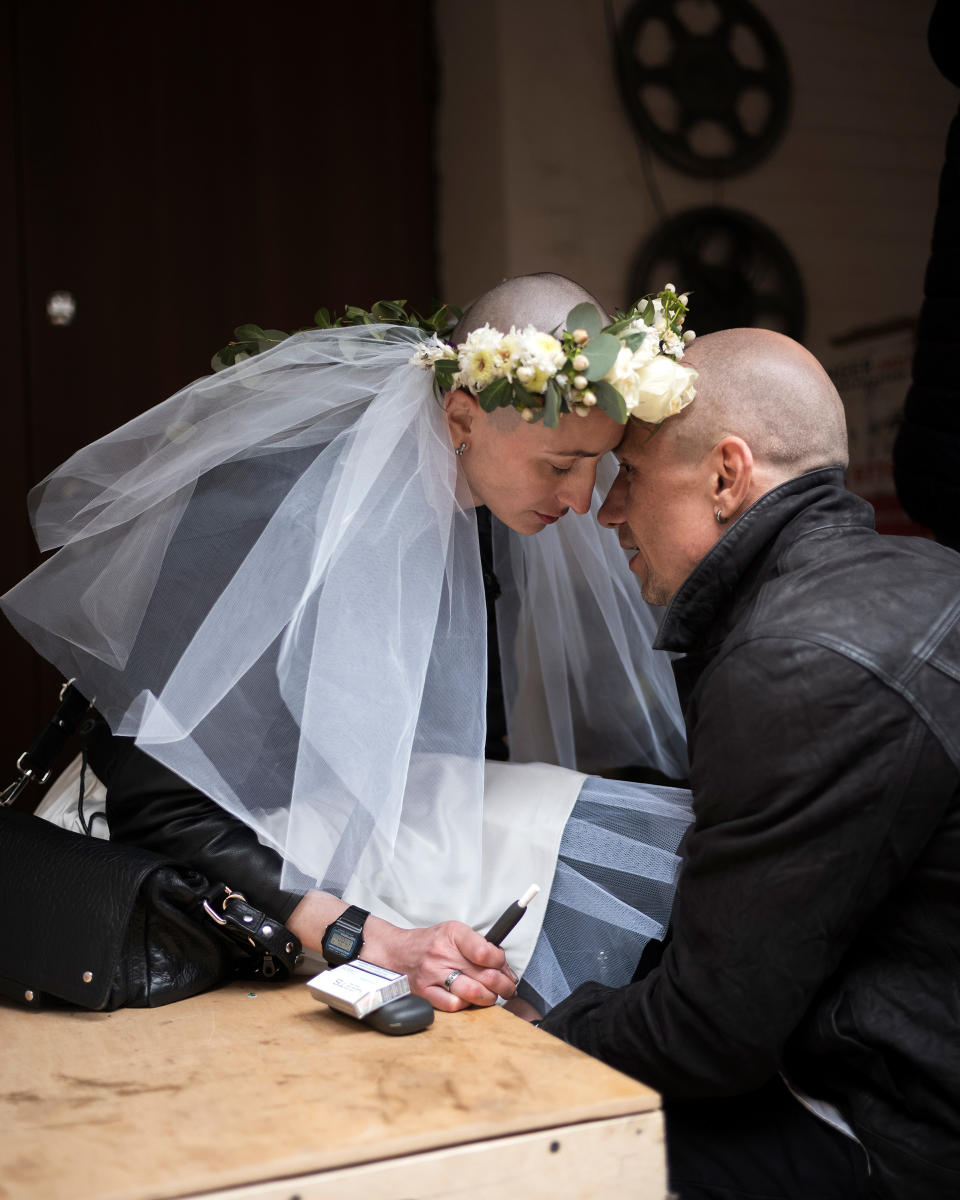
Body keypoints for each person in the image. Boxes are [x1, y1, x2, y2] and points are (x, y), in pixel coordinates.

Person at [2, 273, 695, 1013]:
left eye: (600, 464)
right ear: (462, 416)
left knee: (617, 836)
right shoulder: (261, 515)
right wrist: (365, 938)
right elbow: (161, 805)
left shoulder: (478, 505)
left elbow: (457, 747)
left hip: (336, 816)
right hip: (172, 858)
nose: (583, 502)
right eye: (560, 467)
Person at [538, 327, 960, 1199]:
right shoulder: (929, 569)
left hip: (902, 1127)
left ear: (728, 477)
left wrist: (536, 1034)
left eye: (634, 477)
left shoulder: (792, 660)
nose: (606, 511)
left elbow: (709, 1035)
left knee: (520, 1163)